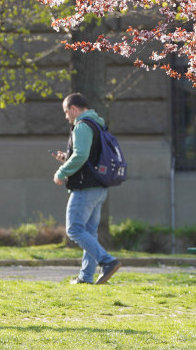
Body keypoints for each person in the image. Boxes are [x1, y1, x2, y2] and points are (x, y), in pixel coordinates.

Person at [52, 93, 121, 285]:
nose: (66, 117)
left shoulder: (82, 126)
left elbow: (81, 155)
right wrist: (68, 157)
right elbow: (88, 157)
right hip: (99, 187)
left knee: (74, 229)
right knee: (89, 233)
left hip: (85, 187)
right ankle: (85, 276)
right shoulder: (97, 124)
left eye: (66, 112)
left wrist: (61, 171)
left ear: (73, 108)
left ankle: (107, 262)